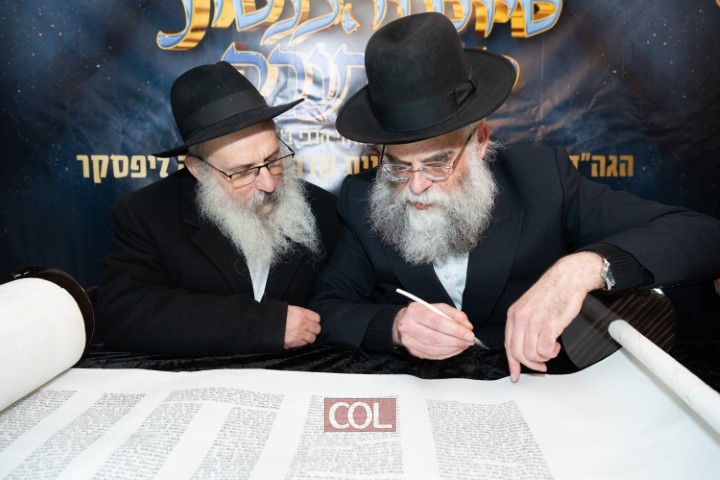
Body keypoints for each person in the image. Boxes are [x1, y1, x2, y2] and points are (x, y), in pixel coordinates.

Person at [310, 13, 720, 381]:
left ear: (480, 141)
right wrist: (396, 326)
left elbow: (701, 235)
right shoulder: (363, 199)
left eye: (437, 164)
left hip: (542, 391)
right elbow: (328, 308)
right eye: (399, 166)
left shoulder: (541, 180)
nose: (415, 186)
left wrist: (581, 270)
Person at [97, 62, 340, 355]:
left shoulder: (326, 210)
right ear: (198, 169)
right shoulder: (145, 214)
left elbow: (349, 302)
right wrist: (263, 324)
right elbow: (124, 314)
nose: (269, 183)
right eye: (243, 171)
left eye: (273, 159)